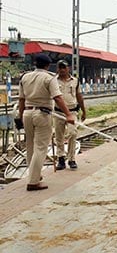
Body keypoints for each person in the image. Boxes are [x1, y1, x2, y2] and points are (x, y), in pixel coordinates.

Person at [18, 53, 75, 191]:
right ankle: (33, 181)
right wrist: (68, 114)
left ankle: (34, 174)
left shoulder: (25, 77)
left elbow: (21, 100)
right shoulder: (49, 78)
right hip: (42, 114)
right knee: (40, 147)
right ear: (48, 65)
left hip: (27, 113)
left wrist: (20, 117)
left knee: (30, 146)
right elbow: (58, 98)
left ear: (35, 64)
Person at [54, 60, 86, 170]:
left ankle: (71, 158)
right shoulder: (53, 81)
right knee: (59, 136)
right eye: (60, 67)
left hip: (72, 112)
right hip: (58, 112)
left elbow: (79, 96)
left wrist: (84, 111)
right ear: (57, 69)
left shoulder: (75, 81)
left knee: (72, 133)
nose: (62, 70)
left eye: (64, 67)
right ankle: (61, 158)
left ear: (69, 69)